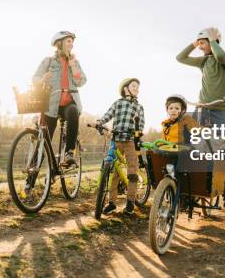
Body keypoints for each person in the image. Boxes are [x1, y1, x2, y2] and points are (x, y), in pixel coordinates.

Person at [176, 27, 225, 220]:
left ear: (214, 40)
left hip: (220, 113)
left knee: (224, 159)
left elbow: (223, 58)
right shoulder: (203, 61)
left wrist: (212, 40)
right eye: (199, 44)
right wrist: (194, 42)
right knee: (191, 152)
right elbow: (180, 58)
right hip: (201, 111)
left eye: (203, 43)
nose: (200, 47)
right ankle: (186, 195)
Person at [32, 31, 87, 167]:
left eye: (72, 42)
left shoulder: (74, 62)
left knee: (74, 112)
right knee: (45, 140)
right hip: (51, 106)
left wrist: (73, 65)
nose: (71, 44)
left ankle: (69, 152)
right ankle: (32, 172)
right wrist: (43, 79)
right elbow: (35, 79)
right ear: (59, 43)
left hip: (69, 104)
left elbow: (81, 82)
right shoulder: (48, 61)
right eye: (68, 41)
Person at [95, 78, 145, 215]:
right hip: (116, 140)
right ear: (125, 89)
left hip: (130, 142)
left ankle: (130, 202)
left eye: (138, 87)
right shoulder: (117, 103)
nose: (136, 88)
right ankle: (111, 203)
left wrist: (138, 132)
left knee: (132, 173)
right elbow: (108, 115)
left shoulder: (139, 107)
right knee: (115, 174)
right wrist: (99, 122)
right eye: (134, 86)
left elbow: (141, 124)